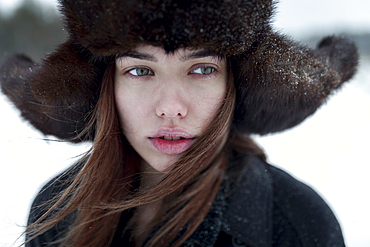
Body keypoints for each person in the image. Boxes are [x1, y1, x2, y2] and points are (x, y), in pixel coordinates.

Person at [0, 0, 358, 246]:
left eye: (202, 69)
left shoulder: (297, 222)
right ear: (107, 86)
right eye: (140, 70)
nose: (171, 108)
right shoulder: (56, 211)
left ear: (232, 83)